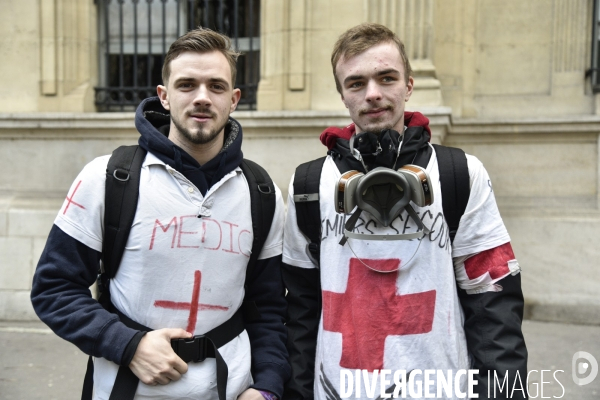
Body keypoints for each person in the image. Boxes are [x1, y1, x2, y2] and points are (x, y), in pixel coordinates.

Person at [31, 28, 289, 400]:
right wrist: (128, 344)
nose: (202, 97)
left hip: (230, 391)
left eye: (216, 86)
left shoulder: (262, 192)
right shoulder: (107, 177)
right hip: (123, 390)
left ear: (234, 100)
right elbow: (53, 290)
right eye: (187, 85)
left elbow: (268, 310)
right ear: (164, 97)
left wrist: (266, 387)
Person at [282, 23, 527, 399]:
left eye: (386, 78)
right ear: (342, 94)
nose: (373, 94)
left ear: (409, 85)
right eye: (356, 83)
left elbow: (493, 299)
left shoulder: (460, 174)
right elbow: (299, 313)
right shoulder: (307, 186)